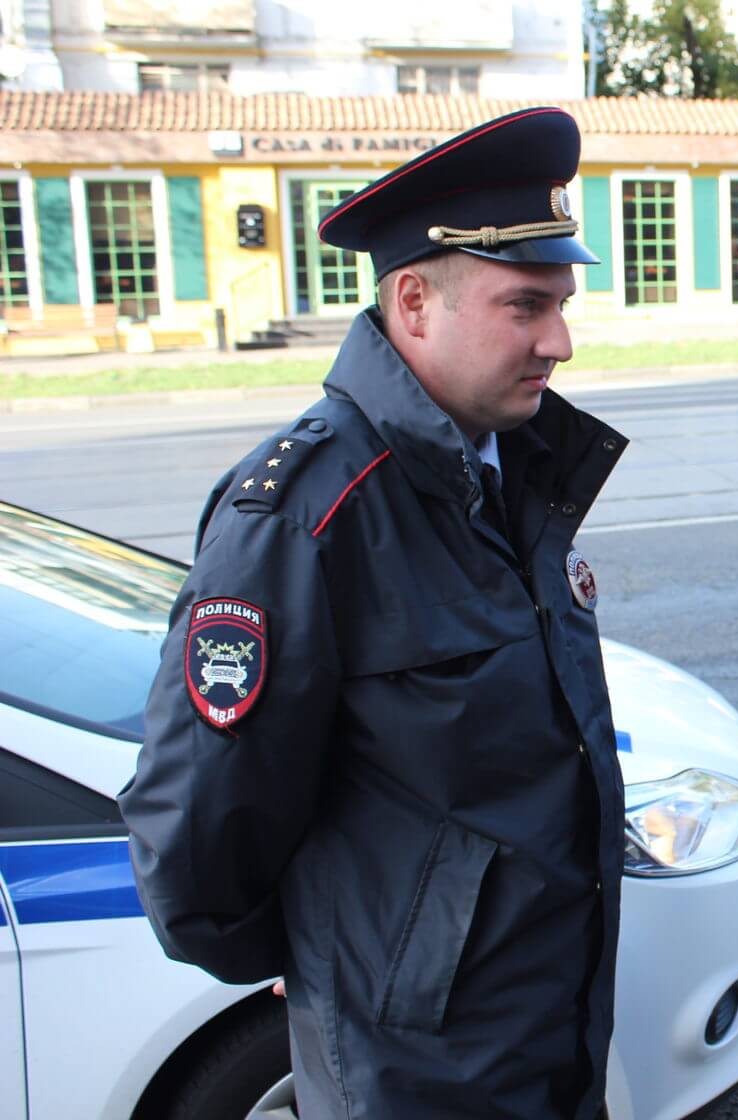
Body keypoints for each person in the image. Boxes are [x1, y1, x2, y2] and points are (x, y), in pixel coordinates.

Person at [118, 108, 627, 1120]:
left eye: (563, 304)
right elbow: (200, 826)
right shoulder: (310, 509)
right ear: (414, 301)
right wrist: (332, 961)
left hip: (550, 1016)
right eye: (527, 306)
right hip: (416, 1064)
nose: (560, 341)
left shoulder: (515, 466)